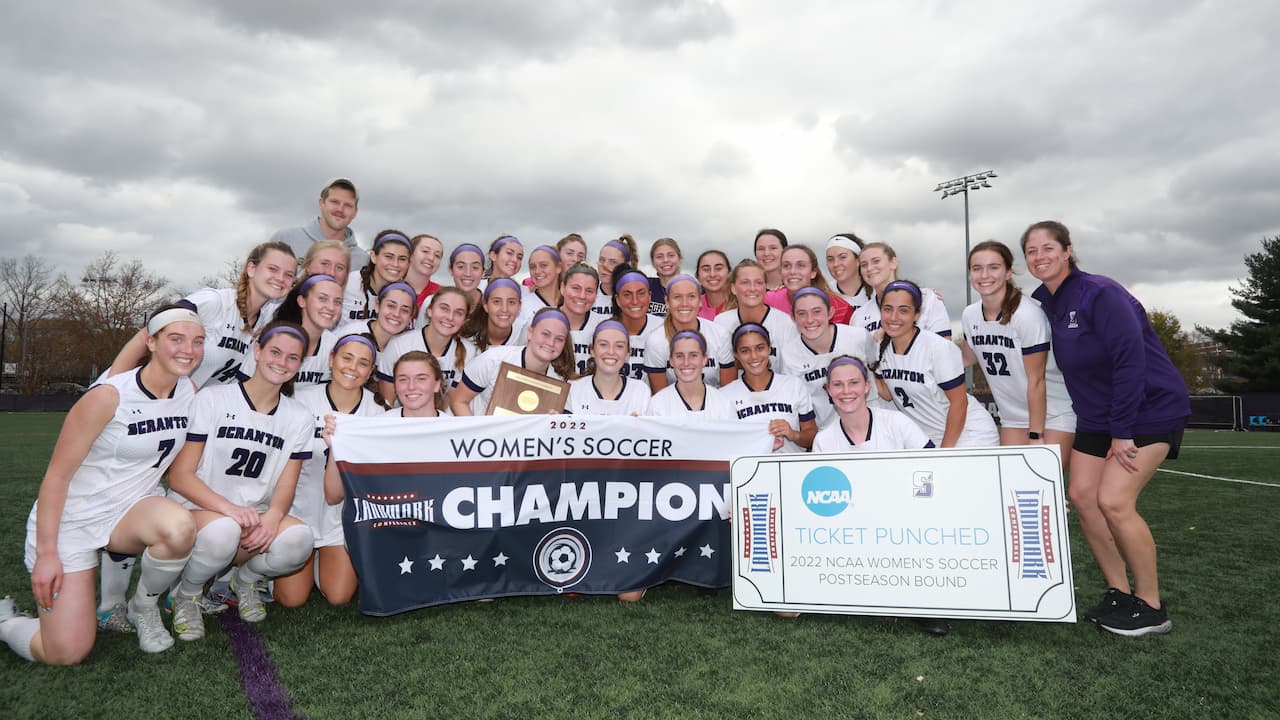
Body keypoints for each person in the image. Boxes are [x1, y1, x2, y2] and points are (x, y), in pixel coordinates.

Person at [0, 307, 204, 663]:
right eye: (176, 338)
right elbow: (56, 477)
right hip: (74, 521)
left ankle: (144, 608)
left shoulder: (188, 390)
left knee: (179, 526)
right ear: (151, 342)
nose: (188, 349)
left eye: (197, 341)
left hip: (130, 512)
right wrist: (48, 553)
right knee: (65, 652)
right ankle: (5, 622)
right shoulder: (108, 396)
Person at [1022, 220, 1189, 637]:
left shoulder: (1101, 292)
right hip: (1096, 416)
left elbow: (1130, 361)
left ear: (1067, 250)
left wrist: (1123, 430)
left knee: (1114, 501)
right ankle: (1119, 591)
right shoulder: (1046, 303)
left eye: (1047, 248)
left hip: (1146, 412)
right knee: (1081, 495)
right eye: (1031, 251)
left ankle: (1151, 606)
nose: (1040, 256)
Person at [165, 322, 315, 636]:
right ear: (257, 351)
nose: (281, 362)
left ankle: (244, 580)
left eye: (292, 357)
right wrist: (228, 509)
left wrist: (273, 517)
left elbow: (287, 483)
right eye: (275, 352)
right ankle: (187, 595)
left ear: (300, 364)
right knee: (224, 530)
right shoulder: (213, 398)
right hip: (197, 511)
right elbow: (179, 476)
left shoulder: (299, 416)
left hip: (250, 514)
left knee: (299, 542)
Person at [272, 334, 383, 608]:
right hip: (298, 509)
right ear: (332, 359)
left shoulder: (377, 410)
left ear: (370, 371)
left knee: (339, 596)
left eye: (362, 363)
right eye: (347, 358)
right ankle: (292, 555)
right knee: (292, 599)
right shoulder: (298, 398)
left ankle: (327, 556)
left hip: (339, 516)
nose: (352, 368)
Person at [109, 241, 296, 388]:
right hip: (135, 397)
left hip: (181, 412)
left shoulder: (267, 319)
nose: (280, 278)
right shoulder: (215, 302)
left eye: (289, 274)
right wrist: (111, 387)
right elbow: (147, 334)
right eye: (272, 269)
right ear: (251, 268)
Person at [961, 240, 1076, 459]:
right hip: (1012, 418)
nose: (984, 275)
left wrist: (1036, 434)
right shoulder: (970, 315)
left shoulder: (1027, 315)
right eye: (977, 269)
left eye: (994, 267)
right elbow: (965, 359)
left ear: (1008, 272)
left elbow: (1037, 380)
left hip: (1052, 415)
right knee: (1012, 490)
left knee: (1040, 484)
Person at [869, 280, 998, 448]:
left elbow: (959, 403)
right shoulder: (882, 349)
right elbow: (887, 393)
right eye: (888, 309)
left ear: (916, 314)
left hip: (969, 433)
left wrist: (943, 454)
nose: (894, 317)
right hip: (928, 436)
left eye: (903, 310)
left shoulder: (937, 348)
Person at [448, 307, 577, 416]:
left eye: (559, 339)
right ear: (530, 333)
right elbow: (458, 400)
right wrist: (478, 438)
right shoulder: (494, 359)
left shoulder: (560, 381)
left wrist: (556, 422)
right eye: (545, 334)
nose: (551, 343)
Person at [779, 287, 872, 429]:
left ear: (830, 312)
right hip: (825, 433)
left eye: (817, 312)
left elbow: (877, 377)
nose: (810, 320)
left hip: (868, 425)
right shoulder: (788, 355)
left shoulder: (859, 337)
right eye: (802, 313)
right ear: (793, 317)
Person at [721, 324, 816, 453]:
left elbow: (812, 436)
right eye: (745, 351)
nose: (754, 356)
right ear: (736, 355)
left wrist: (793, 434)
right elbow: (724, 447)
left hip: (793, 469)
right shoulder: (725, 396)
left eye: (760, 348)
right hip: (749, 470)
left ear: (769, 349)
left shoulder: (793, 385)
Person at [813, 356, 934, 452]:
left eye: (854, 382)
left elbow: (934, 464)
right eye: (838, 384)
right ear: (829, 390)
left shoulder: (897, 423)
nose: (846, 391)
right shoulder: (823, 441)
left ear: (867, 386)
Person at [377, 287, 476, 401]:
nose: (450, 317)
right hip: (401, 416)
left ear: (465, 320)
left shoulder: (469, 352)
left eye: (458, 313)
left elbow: (452, 403)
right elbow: (387, 402)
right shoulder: (399, 345)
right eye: (444, 308)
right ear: (429, 310)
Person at [245, 273, 344, 387]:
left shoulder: (333, 346)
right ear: (302, 301)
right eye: (322, 298)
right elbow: (245, 387)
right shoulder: (274, 337)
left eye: (337, 302)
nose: (331, 307)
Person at [643, 274, 735, 391]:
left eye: (691, 296)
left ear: (700, 301)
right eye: (677, 297)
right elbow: (659, 395)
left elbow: (728, 391)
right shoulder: (656, 340)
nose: (684, 303)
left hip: (715, 404)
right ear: (667, 302)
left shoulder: (720, 334)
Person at [713, 260, 800, 370]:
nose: (752, 288)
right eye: (745, 282)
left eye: (758, 283)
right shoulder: (720, 323)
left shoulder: (786, 324)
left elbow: (791, 374)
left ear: (765, 287)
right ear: (733, 288)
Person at [851, 242, 951, 337]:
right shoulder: (859, 315)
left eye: (876, 261)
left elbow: (944, 346)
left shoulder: (927, 298)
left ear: (893, 263)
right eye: (864, 265)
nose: (869, 268)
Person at [270, 178, 366, 270]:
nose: (340, 209)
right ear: (321, 203)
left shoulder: (363, 261)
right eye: (334, 202)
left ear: (355, 212)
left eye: (348, 205)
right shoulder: (285, 239)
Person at [567, 320, 652, 417]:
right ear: (592, 350)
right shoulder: (574, 389)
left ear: (628, 353)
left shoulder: (640, 391)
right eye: (603, 344)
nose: (611, 352)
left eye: (619, 346)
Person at [648, 330, 735, 419]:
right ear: (671, 360)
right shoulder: (657, 405)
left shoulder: (723, 403)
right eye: (679, 356)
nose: (686, 363)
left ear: (705, 359)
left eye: (693, 355)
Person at [765, 244, 853, 323]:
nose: (792, 271)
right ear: (780, 272)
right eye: (786, 266)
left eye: (801, 265)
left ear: (813, 272)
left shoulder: (839, 307)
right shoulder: (768, 300)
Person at [343, 230, 411, 323]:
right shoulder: (347, 283)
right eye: (388, 256)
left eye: (402, 259)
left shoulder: (405, 295)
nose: (395, 264)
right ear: (373, 256)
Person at [610, 267, 663, 383]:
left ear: (649, 296)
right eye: (627, 295)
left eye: (641, 293)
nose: (635, 301)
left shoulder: (663, 329)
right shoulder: (605, 330)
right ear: (617, 299)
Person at [559, 263, 603, 376]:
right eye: (576, 288)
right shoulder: (545, 321)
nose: (582, 296)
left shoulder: (603, 326)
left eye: (589, 291)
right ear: (562, 288)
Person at [461, 277, 523, 351]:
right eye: (497, 301)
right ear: (485, 305)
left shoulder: (525, 335)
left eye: (511, 302)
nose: (504, 309)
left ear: (519, 306)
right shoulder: (467, 339)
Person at [515, 245, 564, 335]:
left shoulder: (570, 304)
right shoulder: (522, 307)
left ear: (558, 267)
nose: (537, 271)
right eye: (533, 267)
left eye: (543, 265)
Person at [825, 233, 874, 314]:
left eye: (843, 257)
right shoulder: (822, 295)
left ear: (858, 260)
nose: (836, 264)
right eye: (830, 259)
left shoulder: (877, 293)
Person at [592, 235, 638, 320]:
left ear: (625, 265)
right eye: (602, 260)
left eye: (613, 262)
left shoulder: (634, 297)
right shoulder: (588, 294)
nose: (604, 266)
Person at [405, 234, 444, 324]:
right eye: (425, 251)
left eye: (437, 255)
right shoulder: (390, 288)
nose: (431, 258)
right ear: (410, 254)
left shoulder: (442, 294)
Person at [647, 237, 683, 316]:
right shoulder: (645, 286)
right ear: (653, 262)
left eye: (671, 255)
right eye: (659, 257)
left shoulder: (693, 288)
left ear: (679, 258)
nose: (665, 260)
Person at [448, 243, 486, 311]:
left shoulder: (492, 307)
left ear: (483, 272)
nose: (468, 273)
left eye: (475, 267)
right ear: (451, 270)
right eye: (461, 267)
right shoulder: (436, 303)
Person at [695, 250, 732, 320]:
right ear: (698, 276)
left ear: (729, 273)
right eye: (706, 269)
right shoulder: (692, 306)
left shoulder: (742, 305)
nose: (712, 274)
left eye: (718, 268)